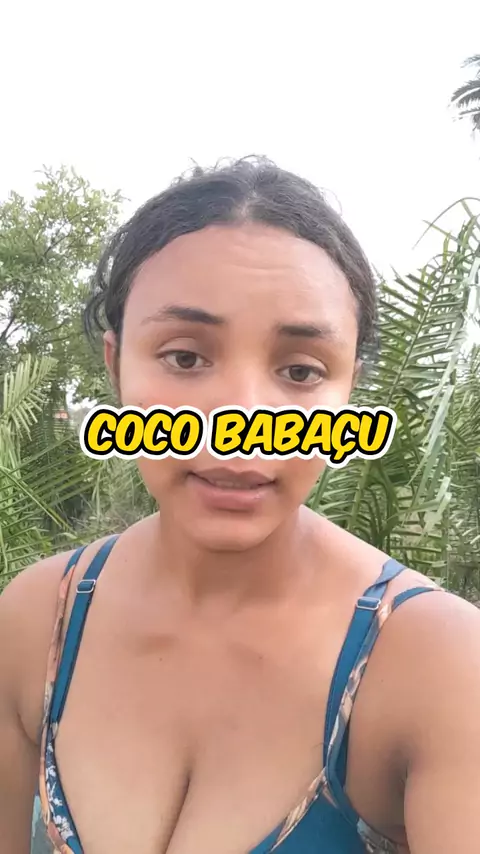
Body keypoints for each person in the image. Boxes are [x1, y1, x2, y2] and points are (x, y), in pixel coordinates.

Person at [1, 157, 479, 854]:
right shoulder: (36, 620)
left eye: (300, 370)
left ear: (348, 390)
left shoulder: (437, 665)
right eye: (185, 358)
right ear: (115, 365)